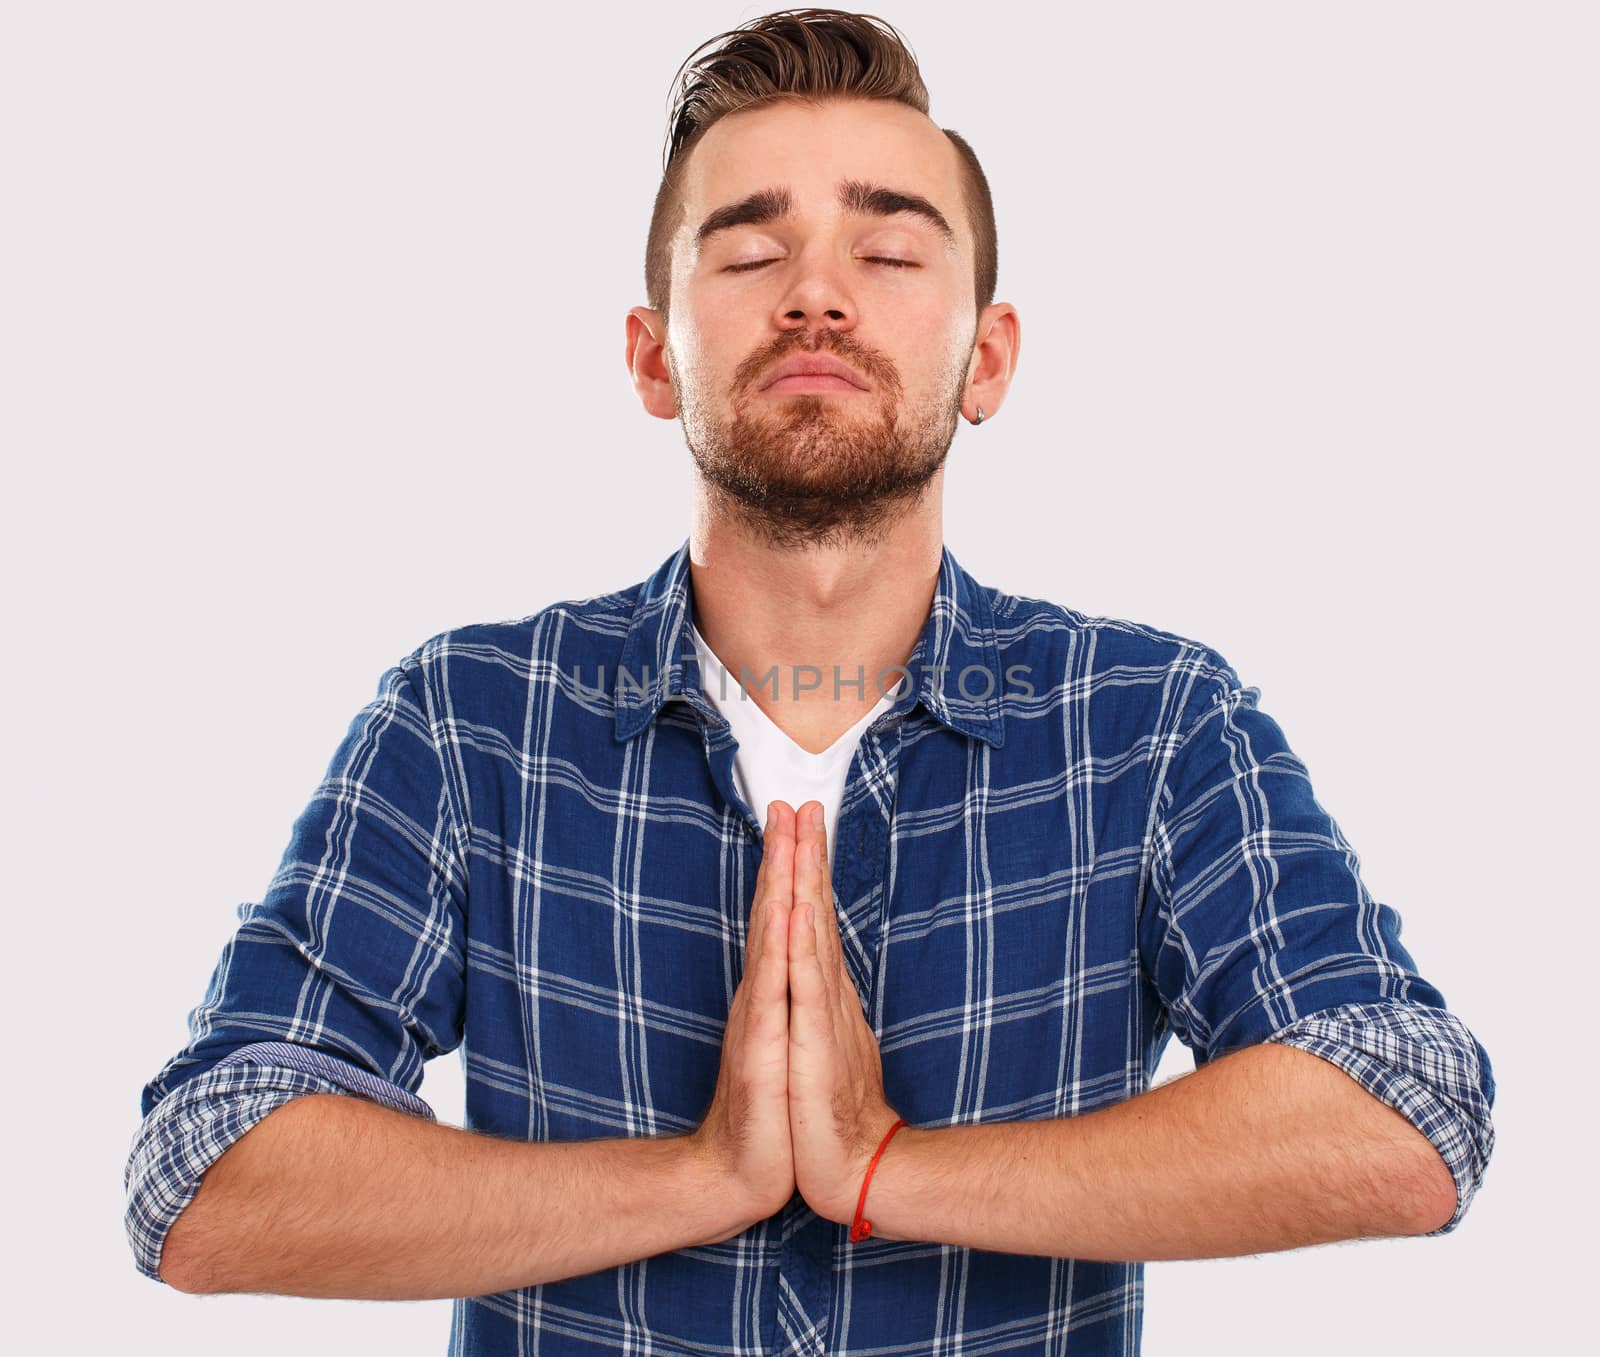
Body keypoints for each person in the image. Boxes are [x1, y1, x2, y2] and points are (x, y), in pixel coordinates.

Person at [123, 8, 1495, 1353]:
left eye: (889, 248)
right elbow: (200, 1173)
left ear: (990, 358)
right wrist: (704, 1175)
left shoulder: (1152, 722)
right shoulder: (474, 718)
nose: (818, 293)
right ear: (654, 358)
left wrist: (887, 1168)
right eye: (753, 252)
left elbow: (1411, 1111)